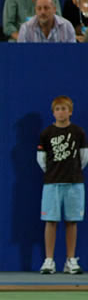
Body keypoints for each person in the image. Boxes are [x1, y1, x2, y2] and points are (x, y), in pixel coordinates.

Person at [37, 96, 87, 276]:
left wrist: (71, 173)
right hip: (52, 184)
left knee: (72, 221)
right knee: (51, 221)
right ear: (53, 112)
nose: (61, 112)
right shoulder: (46, 133)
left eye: (64, 109)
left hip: (74, 184)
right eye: (57, 109)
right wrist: (54, 173)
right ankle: (49, 260)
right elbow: (42, 160)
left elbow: (83, 158)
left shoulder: (78, 132)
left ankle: (70, 260)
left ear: (70, 111)